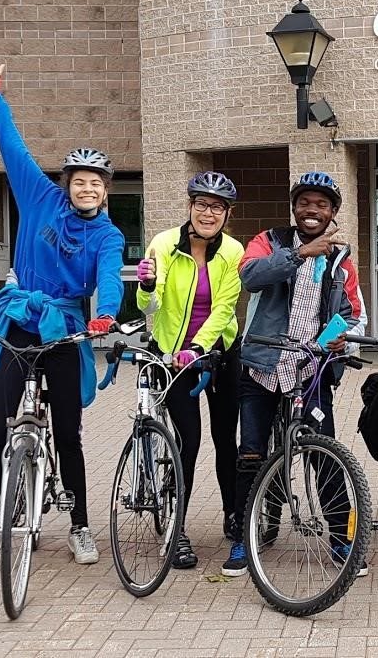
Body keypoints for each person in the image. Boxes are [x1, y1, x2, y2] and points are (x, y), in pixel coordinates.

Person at [0, 57, 124, 578]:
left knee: (71, 433)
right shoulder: (39, 197)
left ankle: (79, 524)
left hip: (64, 330)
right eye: (79, 181)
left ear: (105, 190)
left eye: (96, 183)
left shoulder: (107, 235)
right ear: (68, 184)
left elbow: (108, 278)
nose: (87, 189)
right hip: (17, 322)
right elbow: (13, 148)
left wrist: (103, 317)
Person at [223, 171, 368, 577]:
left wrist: (343, 340)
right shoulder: (268, 241)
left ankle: (342, 539)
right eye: (305, 202)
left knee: (325, 454)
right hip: (263, 365)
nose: (312, 210)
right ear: (294, 207)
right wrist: (301, 253)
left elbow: (352, 313)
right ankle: (242, 537)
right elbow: (250, 277)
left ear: (333, 212)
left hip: (312, 368)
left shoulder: (341, 260)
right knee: (250, 454)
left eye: (322, 205)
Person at [135, 171, 244, 568]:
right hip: (172, 355)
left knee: (226, 440)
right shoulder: (164, 243)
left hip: (220, 353)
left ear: (227, 213)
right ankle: (175, 526)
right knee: (187, 442)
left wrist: (200, 346)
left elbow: (225, 307)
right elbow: (148, 307)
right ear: (190, 207)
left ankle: (234, 516)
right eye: (201, 204)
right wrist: (146, 287)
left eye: (217, 207)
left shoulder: (233, 251)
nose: (208, 212)